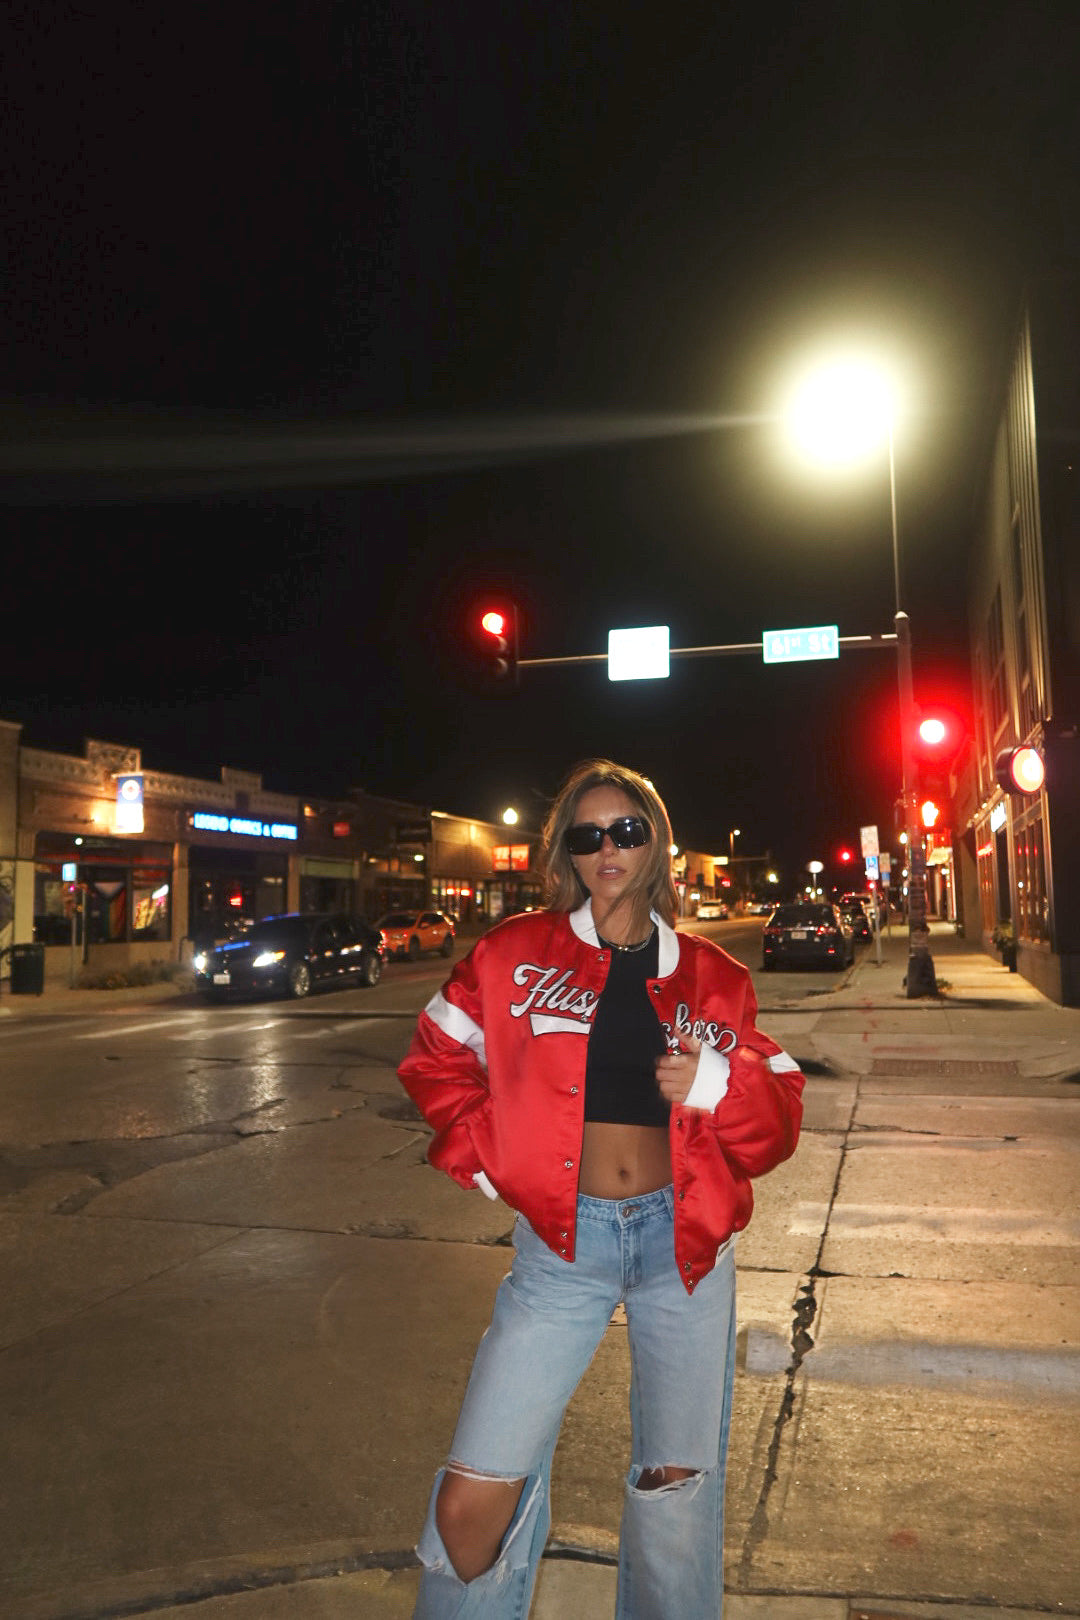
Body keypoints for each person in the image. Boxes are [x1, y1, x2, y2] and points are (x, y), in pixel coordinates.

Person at [398, 759, 804, 1619]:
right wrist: (489, 1158)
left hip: (685, 1248)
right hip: (562, 1246)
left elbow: (776, 1130)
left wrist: (713, 1082)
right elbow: (432, 1058)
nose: (607, 848)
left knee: (675, 1497)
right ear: (565, 852)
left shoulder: (714, 977)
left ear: (657, 841)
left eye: (626, 830)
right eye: (587, 834)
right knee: (473, 1500)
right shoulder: (512, 956)